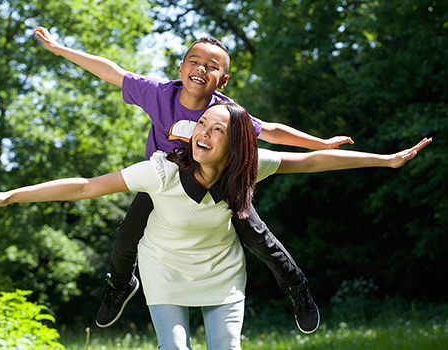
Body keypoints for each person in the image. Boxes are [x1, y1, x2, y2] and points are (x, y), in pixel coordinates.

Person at [0, 101, 431, 349]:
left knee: (226, 346)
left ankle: (297, 288)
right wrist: (9, 195)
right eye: (202, 123)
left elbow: (312, 163)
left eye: (218, 129)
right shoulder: (161, 170)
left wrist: (386, 160)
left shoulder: (251, 166)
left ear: (236, 144)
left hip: (221, 273)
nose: (204, 132)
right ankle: (117, 287)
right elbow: (83, 186)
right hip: (163, 268)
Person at [33, 26, 355, 333]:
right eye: (194, 61)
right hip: (165, 186)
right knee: (126, 236)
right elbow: (111, 72)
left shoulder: (227, 113)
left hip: (219, 185)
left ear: (223, 80)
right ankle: (120, 285)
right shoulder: (158, 95)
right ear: (181, 68)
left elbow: (270, 130)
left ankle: (297, 288)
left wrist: (320, 142)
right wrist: (60, 50)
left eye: (212, 66)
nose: (201, 68)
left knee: (260, 239)